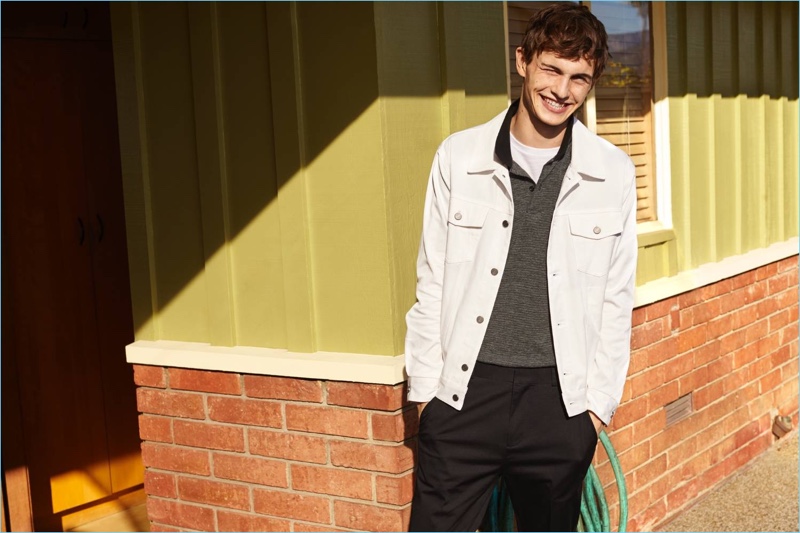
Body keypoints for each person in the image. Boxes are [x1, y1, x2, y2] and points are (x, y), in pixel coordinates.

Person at [404, 4, 638, 531]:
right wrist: (426, 397)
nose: (563, 90)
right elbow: (432, 281)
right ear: (523, 61)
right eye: (552, 69)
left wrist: (595, 408)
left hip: (559, 403)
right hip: (464, 394)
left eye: (579, 77)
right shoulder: (458, 158)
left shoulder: (612, 173)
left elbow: (616, 297)